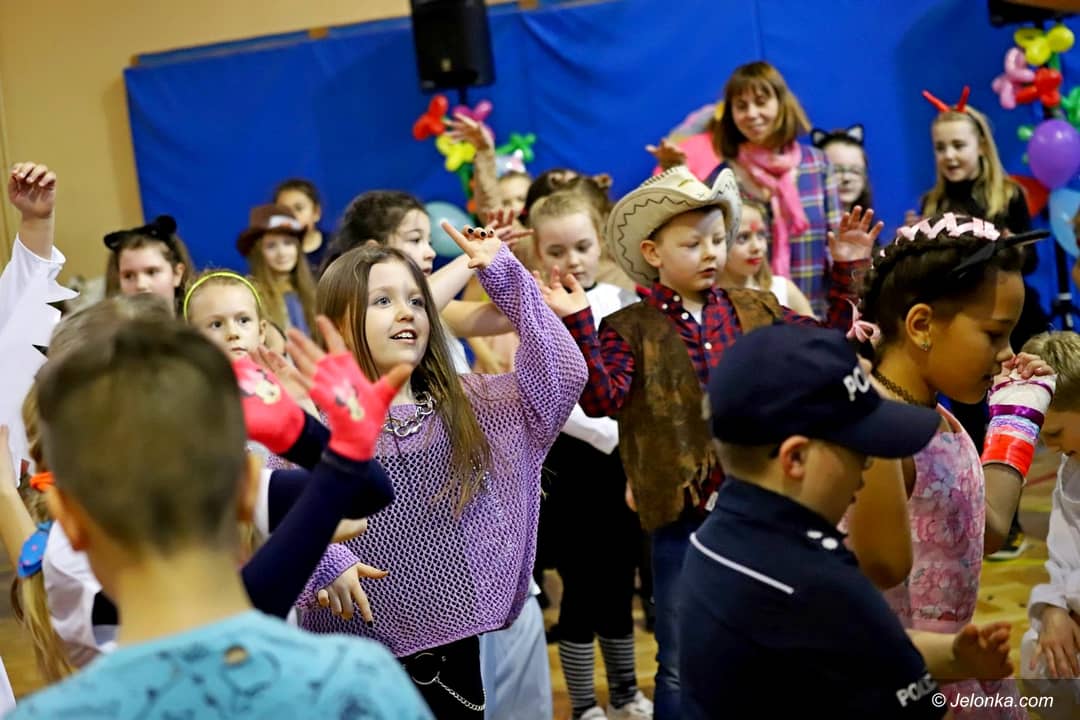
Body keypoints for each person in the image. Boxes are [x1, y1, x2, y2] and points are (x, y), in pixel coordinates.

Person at [537, 164, 879, 719]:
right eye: (692, 243)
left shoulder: (756, 308)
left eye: (717, 240)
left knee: (767, 644)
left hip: (760, 512)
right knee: (680, 657)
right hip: (682, 521)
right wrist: (578, 323)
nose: (711, 253)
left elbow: (829, 344)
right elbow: (602, 400)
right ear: (653, 253)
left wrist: (847, 269)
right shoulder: (629, 327)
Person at [8, 318, 432, 718]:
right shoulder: (360, 683)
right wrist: (323, 445)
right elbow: (242, 615)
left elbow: (363, 494)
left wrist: (296, 430)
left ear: (68, 517)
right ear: (247, 483)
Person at [298, 222, 586, 718]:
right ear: (339, 324)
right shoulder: (318, 424)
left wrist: (504, 273)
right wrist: (328, 560)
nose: (407, 311)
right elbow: (275, 512)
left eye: (416, 300)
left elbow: (563, 374)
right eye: (383, 301)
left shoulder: (469, 404)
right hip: (356, 658)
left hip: (453, 653)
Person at [681, 322, 1016, 718]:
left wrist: (953, 655)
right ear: (795, 459)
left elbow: (850, 648)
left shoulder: (713, 537)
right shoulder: (823, 583)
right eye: (859, 448)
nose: (868, 465)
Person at [852, 213, 1056, 717]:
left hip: (960, 667)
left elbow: (987, 531)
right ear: (921, 325)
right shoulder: (879, 435)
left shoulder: (938, 418)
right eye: (994, 334)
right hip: (907, 682)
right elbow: (865, 591)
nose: (1008, 355)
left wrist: (1014, 421)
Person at [530, 191, 647, 720]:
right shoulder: (538, 309)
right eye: (557, 251)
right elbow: (545, 387)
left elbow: (635, 381)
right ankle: (582, 704)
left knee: (620, 581)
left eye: (581, 246)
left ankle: (624, 692)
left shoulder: (624, 301)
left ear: (601, 243)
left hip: (622, 465)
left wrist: (623, 436)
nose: (572, 260)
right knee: (579, 586)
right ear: (538, 253)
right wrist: (600, 430)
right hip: (571, 465)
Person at [704, 61, 842, 317]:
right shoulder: (721, 180)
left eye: (761, 102)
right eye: (741, 106)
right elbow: (711, 260)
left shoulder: (817, 164)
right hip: (749, 321)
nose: (752, 114)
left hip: (818, 315)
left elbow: (837, 245)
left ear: (781, 103)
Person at [1018, 331, 1080, 719]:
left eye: (1054, 433)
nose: (1051, 446)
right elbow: (1063, 556)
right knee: (1039, 656)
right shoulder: (1070, 472)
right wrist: (1053, 609)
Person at [715, 194, 814, 317]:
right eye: (743, 238)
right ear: (718, 242)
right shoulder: (707, 300)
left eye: (761, 235)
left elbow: (814, 329)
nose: (757, 247)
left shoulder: (782, 290)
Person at [103, 214, 194, 315]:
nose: (141, 285)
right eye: (128, 276)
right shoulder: (105, 324)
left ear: (177, 274)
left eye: (152, 272)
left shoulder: (199, 323)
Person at [811, 124, 873, 214]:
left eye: (855, 171)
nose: (846, 178)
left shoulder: (871, 221)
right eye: (835, 170)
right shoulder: (801, 221)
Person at [273, 178, 328, 271]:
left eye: (299, 208)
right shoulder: (272, 254)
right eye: (284, 210)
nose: (292, 215)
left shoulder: (337, 247)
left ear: (316, 212)